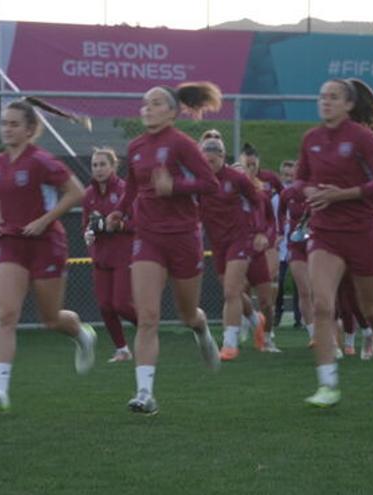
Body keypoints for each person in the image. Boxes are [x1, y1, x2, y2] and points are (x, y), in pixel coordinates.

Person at [105, 82, 222, 415]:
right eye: (145, 103)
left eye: (156, 103)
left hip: (184, 237)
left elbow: (210, 184)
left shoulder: (182, 145)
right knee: (148, 317)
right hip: (148, 237)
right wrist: (119, 211)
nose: (148, 108)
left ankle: (202, 330)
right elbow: (131, 188)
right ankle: (145, 393)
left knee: (187, 314)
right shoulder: (137, 146)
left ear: (172, 111)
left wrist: (176, 187)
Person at [0, 99, 98, 414]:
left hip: (46, 244)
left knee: (50, 318)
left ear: (30, 130)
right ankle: (1, 391)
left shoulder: (42, 161)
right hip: (10, 245)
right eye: (4, 123)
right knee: (6, 316)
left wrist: (44, 221)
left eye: (14, 124)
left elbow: (78, 192)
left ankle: (82, 334)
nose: (7, 128)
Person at [295, 78, 373, 408]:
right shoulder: (311, 139)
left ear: (349, 104)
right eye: (322, 96)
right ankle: (328, 384)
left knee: (372, 311)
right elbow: (299, 179)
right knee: (322, 305)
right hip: (325, 233)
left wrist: (344, 194)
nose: (326, 102)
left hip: (363, 233)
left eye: (334, 97)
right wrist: (307, 190)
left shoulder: (362, 138)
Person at [198, 137, 270, 361]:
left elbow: (258, 201)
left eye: (213, 159)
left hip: (240, 239)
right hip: (217, 242)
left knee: (230, 291)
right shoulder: (199, 181)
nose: (209, 164)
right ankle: (256, 320)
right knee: (234, 291)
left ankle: (230, 343)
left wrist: (259, 231)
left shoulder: (236, 178)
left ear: (222, 157)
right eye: (205, 160)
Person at [83, 147, 137, 363]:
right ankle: (122, 349)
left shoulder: (126, 190)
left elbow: (138, 223)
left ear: (114, 166)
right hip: (101, 257)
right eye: (95, 165)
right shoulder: (88, 194)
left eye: (103, 164)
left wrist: (118, 225)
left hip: (124, 255)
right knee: (105, 306)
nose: (98, 169)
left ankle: (148, 328)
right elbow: (85, 225)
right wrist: (89, 234)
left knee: (121, 304)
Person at [239, 143, 283, 351]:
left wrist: (269, 236)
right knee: (237, 289)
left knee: (266, 298)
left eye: (253, 165)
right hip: (237, 247)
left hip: (259, 248)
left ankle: (268, 336)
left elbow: (272, 217)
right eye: (246, 165)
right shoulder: (229, 185)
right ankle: (246, 321)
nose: (250, 169)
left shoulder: (265, 188)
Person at [277, 173, 315, 348]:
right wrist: (279, 233)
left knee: (320, 291)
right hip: (295, 245)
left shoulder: (316, 192)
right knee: (304, 290)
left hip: (317, 245)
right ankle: (314, 334)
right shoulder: (287, 194)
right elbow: (280, 214)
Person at [273, 160, 301, 328]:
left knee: (300, 281)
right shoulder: (276, 197)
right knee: (279, 280)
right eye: (286, 175)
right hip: (281, 245)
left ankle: (300, 317)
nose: (289, 179)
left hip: (297, 243)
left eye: (292, 175)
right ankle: (278, 312)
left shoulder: (301, 194)